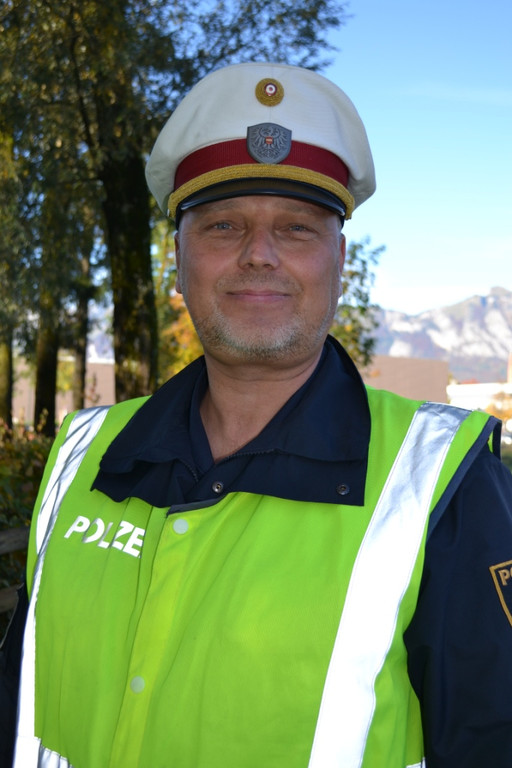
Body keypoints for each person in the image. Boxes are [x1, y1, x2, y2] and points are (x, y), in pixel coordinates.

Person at [2, 61, 512, 768]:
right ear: (177, 259)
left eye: (297, 229)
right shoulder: (82, 454)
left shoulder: (444, 486)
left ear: (339, 260)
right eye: (223, 225)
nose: (258, 255)